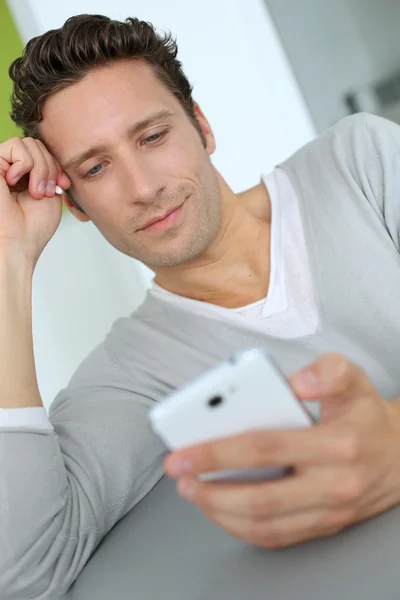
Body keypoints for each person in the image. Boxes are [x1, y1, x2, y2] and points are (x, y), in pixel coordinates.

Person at [1, 12, 400, 599]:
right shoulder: (127, 378)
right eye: (96, 167)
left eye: (152, 137)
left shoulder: (363, 164)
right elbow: (24, 573)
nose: (142, 187)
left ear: (202, 127)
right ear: (76, 205)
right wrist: (10, 263)